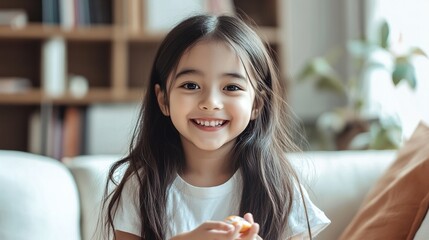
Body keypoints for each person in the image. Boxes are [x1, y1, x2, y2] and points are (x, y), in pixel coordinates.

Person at [101, 14, 330, 240]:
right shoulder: (141, 186)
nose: (210, 103)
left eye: (231, 87)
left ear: (257, 104)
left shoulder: (279, 188)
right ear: (163, 100)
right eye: (191, 85)